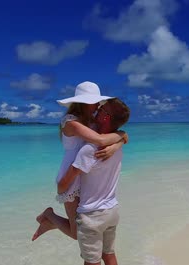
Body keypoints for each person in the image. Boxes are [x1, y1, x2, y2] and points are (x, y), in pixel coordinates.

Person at [37, 99, 130, 265]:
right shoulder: (116, 149)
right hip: (112, 210)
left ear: (105, 118)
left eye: (102, 109)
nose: (97, 109)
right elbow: (120, 135)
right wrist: (120, 139)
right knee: (110, 255)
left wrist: (65, 184)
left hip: (91, 215)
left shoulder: (89, 150)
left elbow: (63, 186)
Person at [32, 81, 127, 241]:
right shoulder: (70, 122)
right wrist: (119, 139)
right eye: (94, 102)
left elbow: (124, 135)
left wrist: (117, 144)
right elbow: (100, 140)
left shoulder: (91, 121)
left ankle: (50, 223)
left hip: (83, 174)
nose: (98, 105)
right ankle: (49, 215)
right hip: (68, 178)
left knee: (80, 228)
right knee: (77, 234)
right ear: (83, 103)